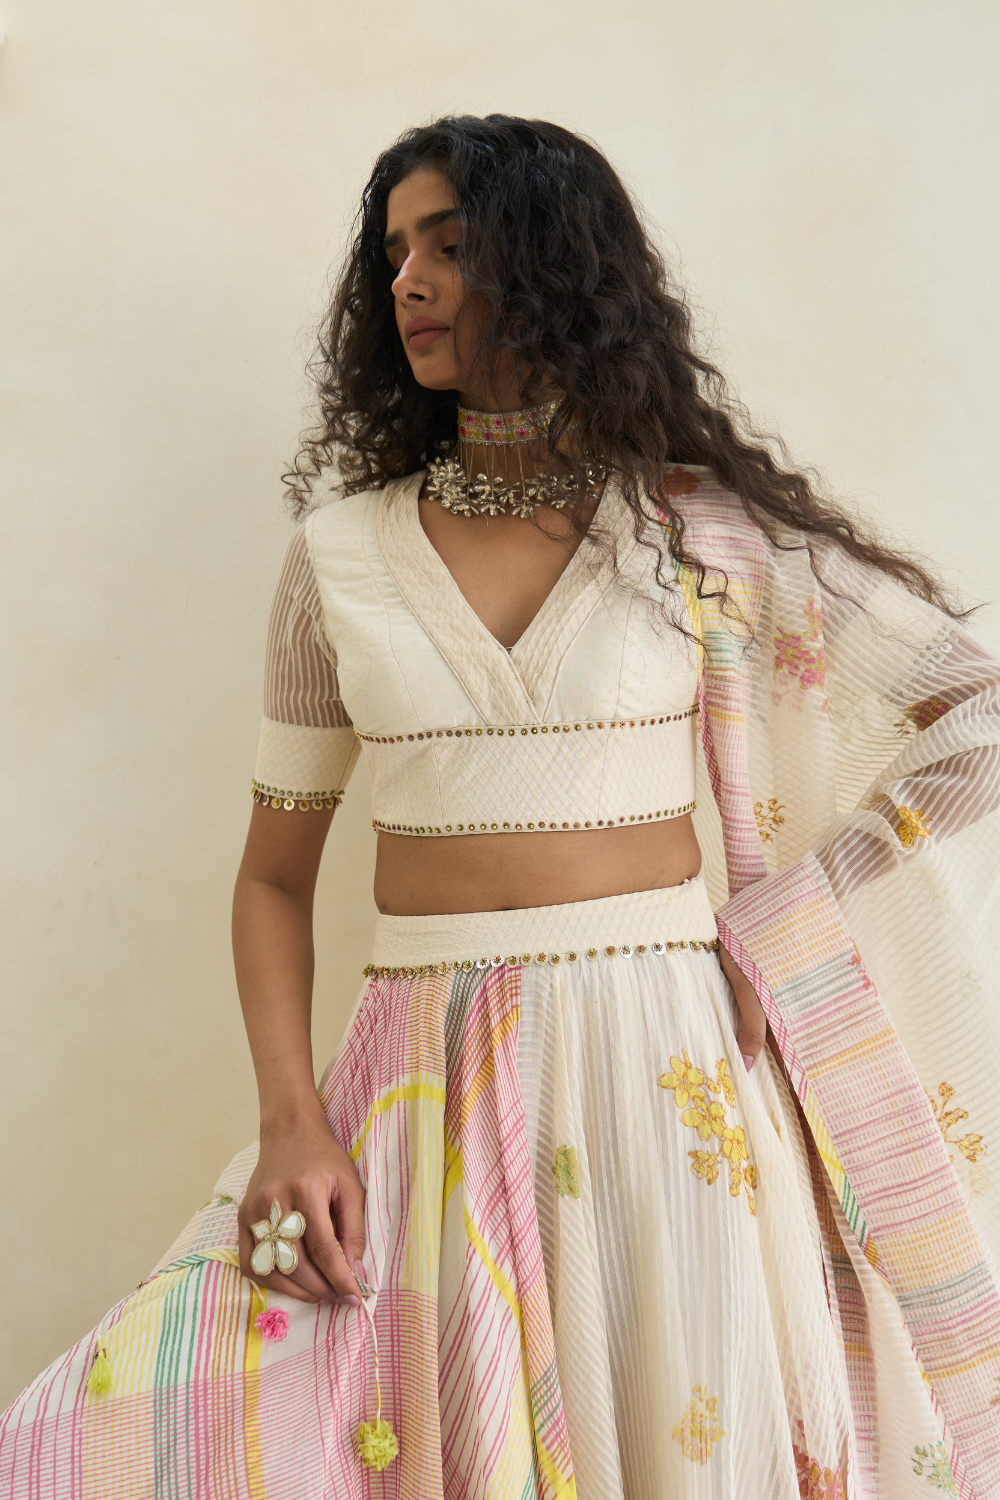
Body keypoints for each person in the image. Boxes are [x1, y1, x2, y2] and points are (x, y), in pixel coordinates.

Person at [3, 114, 999, 1500]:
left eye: (450, 247)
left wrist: (798, 912)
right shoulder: (338, 560)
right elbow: (274, 878)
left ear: (551, 266)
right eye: (393, 253)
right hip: (420, 1080)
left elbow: (974, 712)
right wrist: (291, 1121)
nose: (406, 281)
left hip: (666, 1079)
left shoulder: (694, 534)